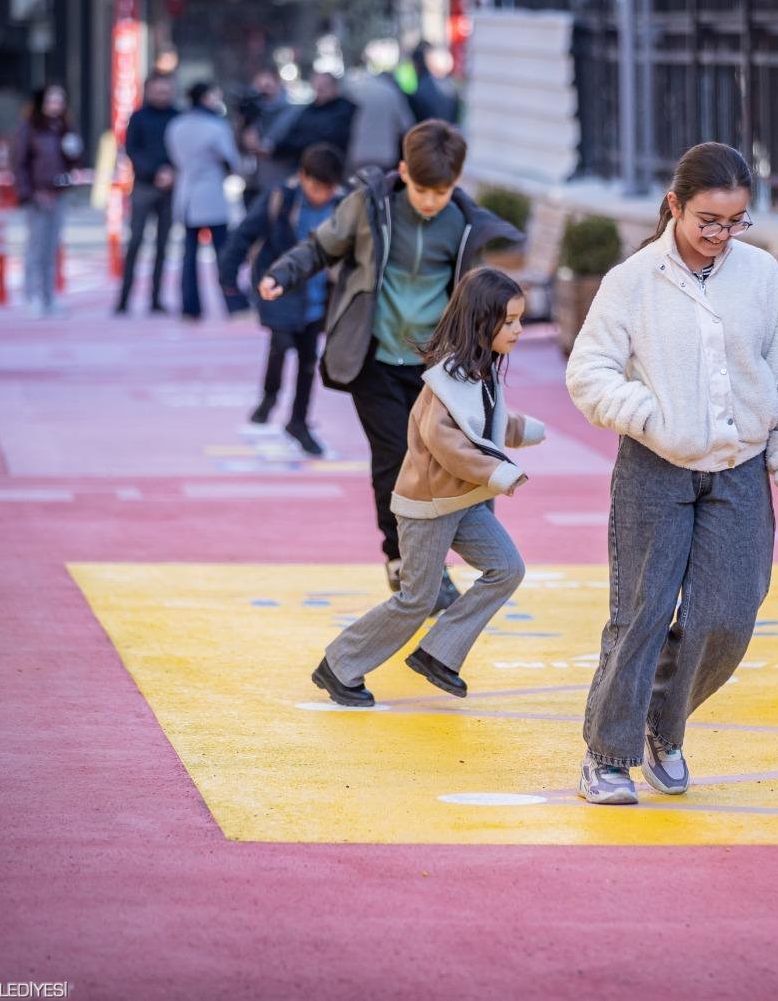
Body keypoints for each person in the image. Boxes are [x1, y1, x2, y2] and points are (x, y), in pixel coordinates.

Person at [565, 142, 778, 806]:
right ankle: (607, 756)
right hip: (655, 468)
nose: (720, 236)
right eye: (708, 220)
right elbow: (587, 373)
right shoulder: (633, 280)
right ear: (675, 206)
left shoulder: (761, 275)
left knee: (729, 617)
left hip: (740, 469)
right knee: (640, 613)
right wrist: (652, 416)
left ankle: (663, 725)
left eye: (734, 223)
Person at [260, 120, 524, 613]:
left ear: (457, 183)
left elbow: (482, 285)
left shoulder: (463, 223)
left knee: (444, 461)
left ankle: (434, 561)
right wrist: (282, 274)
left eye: (441, 191)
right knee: (393, 458)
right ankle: (402, 560)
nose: (430, 201)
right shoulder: (368, 207)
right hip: (375, 359)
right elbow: (322, 245)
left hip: (438, 370)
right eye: (422, 190)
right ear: (403, 172)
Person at [307, 268, 539, 707]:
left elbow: (483, 422)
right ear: (480, 322)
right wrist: (499, 473)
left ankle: (438, 654)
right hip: (428, 506)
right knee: (417, 598)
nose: (518, 329)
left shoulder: (480, 371)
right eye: (508, 321)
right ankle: (339, 664)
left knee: (507, 568)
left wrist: (524, 430)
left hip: (464, 500)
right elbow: (448, 443)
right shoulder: (447, 379)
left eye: (519, 319)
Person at [218, 143, 346, 457]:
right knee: (282, 342)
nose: (322, 195)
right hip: (278, 289)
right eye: (316, 187)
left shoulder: (344, 206)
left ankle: (298, 421)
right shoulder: (281, 198)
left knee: (307, 360)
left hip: (319, 296)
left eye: (328, 188)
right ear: (302, 177)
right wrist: (229, 282)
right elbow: (244, 235)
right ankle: (270, 396)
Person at [165, 81, 245, 320]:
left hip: (186, 195)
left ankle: (190, 305)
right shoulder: (215, 127)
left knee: (189, 255)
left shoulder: (176, 125)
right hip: (210, 194)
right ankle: (232, 301)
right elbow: (232, 160)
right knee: (222, 252)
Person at [11, 84, 82, 318]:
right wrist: (28, 193)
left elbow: (73, 160)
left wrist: (74, 155)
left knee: (52, 248)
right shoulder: (29, 129)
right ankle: (31, 294)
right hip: (37, 196)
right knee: (36, 247)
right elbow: (19, 164)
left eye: (59, 100)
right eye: (51, 100)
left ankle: (49, 295)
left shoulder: (64, 128)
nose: (56, 105)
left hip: (58, 193)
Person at [115, 74, 179, 315]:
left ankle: (156, 299)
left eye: (166, 90)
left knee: (163, 245)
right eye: (158, 90)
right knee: (135, 242)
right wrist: (155, 173)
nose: (162, 95)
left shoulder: (177, 116)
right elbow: (132, 150)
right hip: (143, 186)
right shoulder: (138, 117)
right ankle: (124, 298)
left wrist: (171, 172)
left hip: (170, 187)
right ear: (148, 90)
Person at [262, 72, 356, 187]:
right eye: (317, 86)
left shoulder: (343, 110)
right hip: (305, 171)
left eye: (324, 86)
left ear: (334, 87)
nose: (319, 90)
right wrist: (275, 148)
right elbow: (294, 133)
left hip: (330, 172)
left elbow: (324, 137)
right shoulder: (309, 111)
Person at [343, 61, 414, 177]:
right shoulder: (392, 92)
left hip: (358, 153)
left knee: (359, 190)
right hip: (385, 154)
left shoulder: (357, 90)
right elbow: (406, 125)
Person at [239, 68, 295, 204]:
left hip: (282, 180)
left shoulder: (292, 112)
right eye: (259, 87)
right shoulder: (251, 112)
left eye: (268, 86)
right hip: (255, 183)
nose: (263, 93)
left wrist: (272, 149)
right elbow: (243, 145)